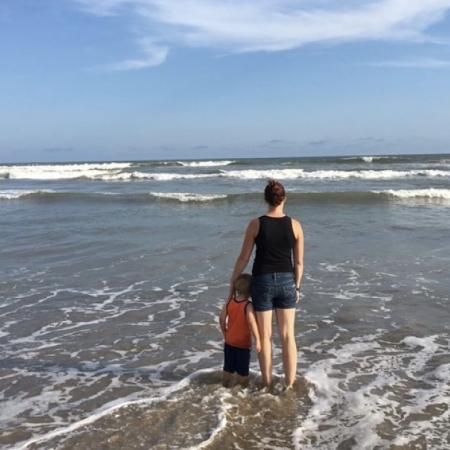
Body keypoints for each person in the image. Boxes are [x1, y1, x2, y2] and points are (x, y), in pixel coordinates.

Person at [228, 180, 304, 389]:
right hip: (287, 280)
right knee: (288, 335)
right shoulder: (295, 225)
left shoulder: (256, 224)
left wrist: (233, 279)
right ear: (284, 198)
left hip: (262, 281)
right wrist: (297, 287)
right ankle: (289, 383)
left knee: (265, 336)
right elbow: (298, 262)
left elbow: (244, 257)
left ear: (265, 199)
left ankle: (268, 383)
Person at [219, 273, 261, 387]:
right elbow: (252, 323)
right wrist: (257, 340)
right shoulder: (248, 305)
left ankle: (225, 385)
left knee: (228, 368)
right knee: (243, 372)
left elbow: (222, 320)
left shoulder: (229, 302)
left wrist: (225, 334)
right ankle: (242, 390)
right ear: (251, 291)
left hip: (229, 342)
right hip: (243, 344)